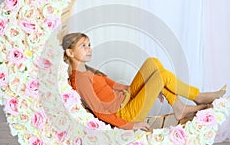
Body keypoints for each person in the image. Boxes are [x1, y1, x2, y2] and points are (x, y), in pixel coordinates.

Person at [62, 32, 227, 131]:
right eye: (83, 46)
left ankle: (178, 107)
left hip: (126, 98)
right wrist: (129, 126)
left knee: (153, 63)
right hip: (125, 113)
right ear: (70, 52)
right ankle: (198, 97)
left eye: (89, 44)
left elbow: (113, 85)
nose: (89, 48)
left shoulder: (88, 71)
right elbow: (99, 111)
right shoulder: (80, 79)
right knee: (162, 76)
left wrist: (144, 88)